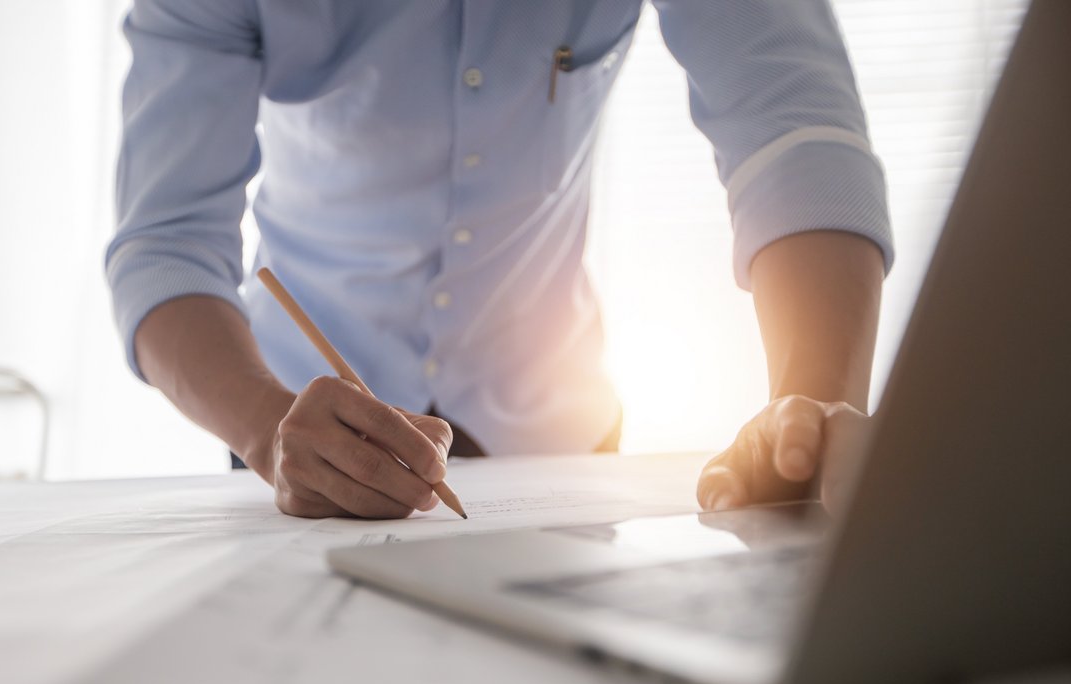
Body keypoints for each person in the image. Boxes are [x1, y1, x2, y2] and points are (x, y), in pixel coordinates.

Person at [106, 1, 892, 519]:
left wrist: (813, 413)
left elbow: (794, 135)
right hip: (294, 431)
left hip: (562, 430)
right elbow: (166, 241)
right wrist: (267, 427)